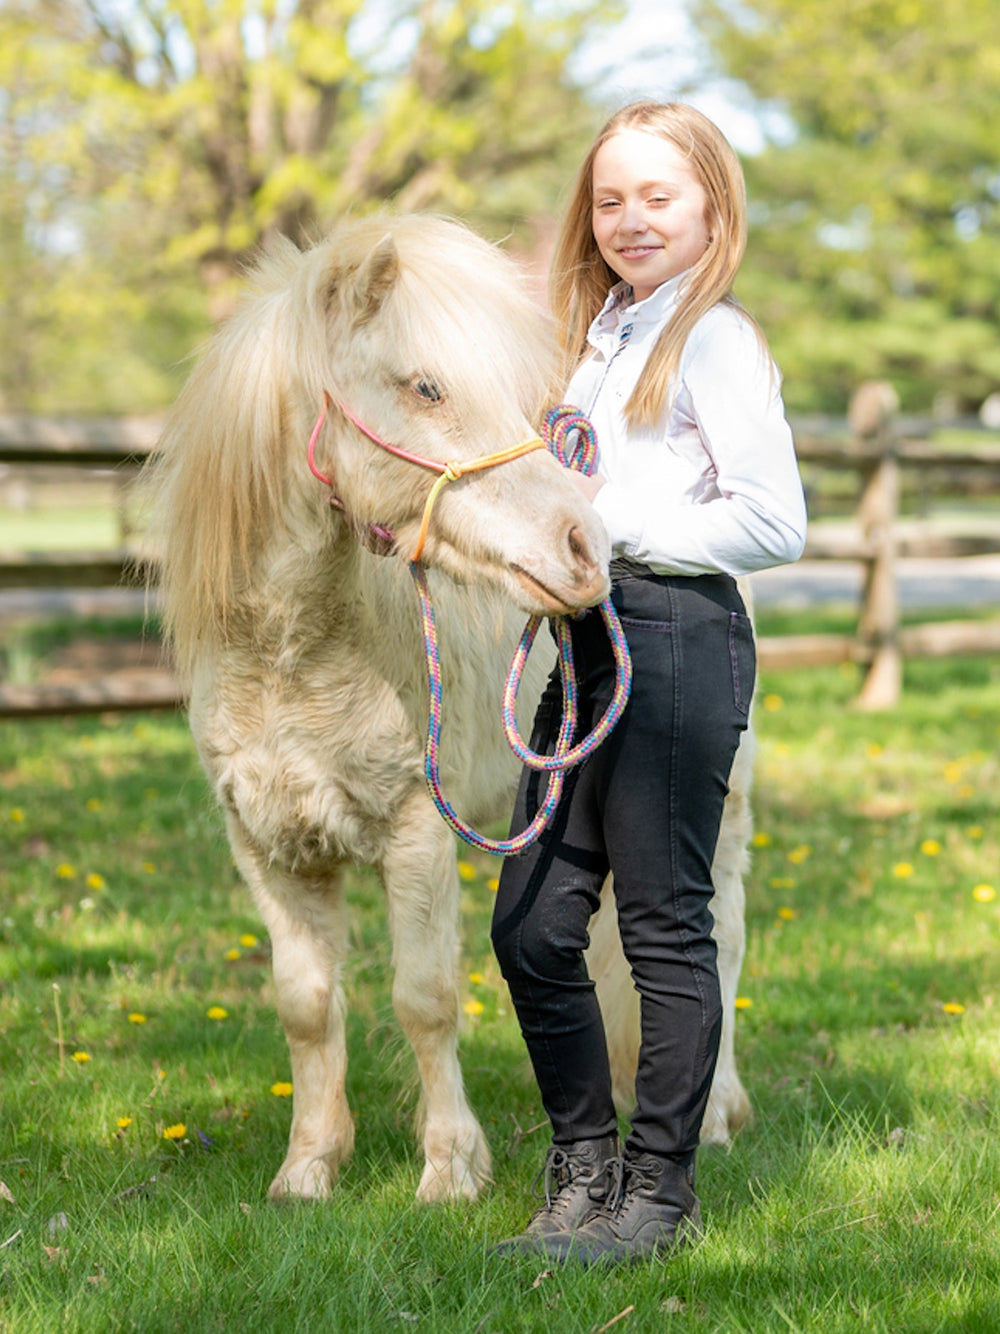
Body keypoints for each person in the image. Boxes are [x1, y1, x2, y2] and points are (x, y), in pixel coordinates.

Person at [490, 101, 807, 1266]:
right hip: (584, 644)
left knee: (664, 930)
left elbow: (776, 518)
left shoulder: (714, 340)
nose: (628, 219)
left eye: (656, 197)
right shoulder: (600, 340)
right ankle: (583, 1170)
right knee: (529, 925)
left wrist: (605, 522)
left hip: (674, 635)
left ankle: (653, 1197)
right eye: (610, 198)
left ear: (710, 209)